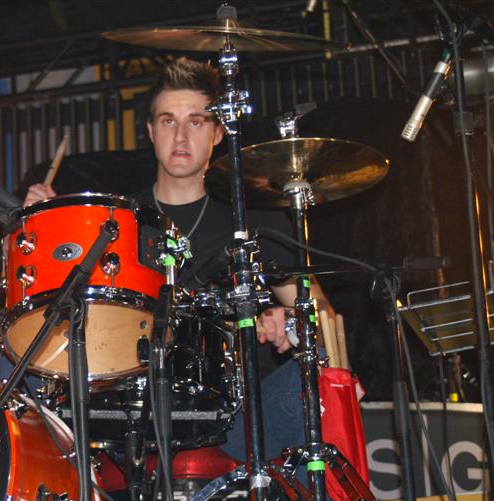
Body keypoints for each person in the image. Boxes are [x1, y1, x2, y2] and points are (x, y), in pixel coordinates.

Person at [22, 57, 335, 462]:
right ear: (151, 132)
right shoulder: (119, 222)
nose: (181, 135)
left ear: (218, 133)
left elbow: (322, 315)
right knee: (23, 353)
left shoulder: (254, 217)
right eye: (168, 120)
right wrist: (48, 229)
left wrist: (290, 321)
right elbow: (69, 318)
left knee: (314, 377)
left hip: (237, 420)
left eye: (197, 121)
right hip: (129, 413)